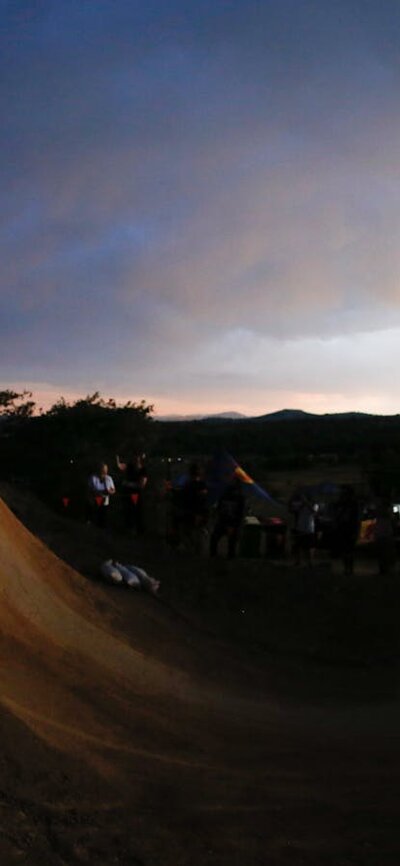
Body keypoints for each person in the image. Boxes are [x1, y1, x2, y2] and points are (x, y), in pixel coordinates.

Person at [210, 477, 245, 558]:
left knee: (231, 545)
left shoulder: (239, 497)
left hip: (233, 523)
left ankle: (230, 560)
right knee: (214, 539)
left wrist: (233, 526)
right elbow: (219, 508)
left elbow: (240, 514)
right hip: (222, 522)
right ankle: (213, 558)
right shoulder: (224, 494)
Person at [332, 485, 360, 576]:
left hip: (349, 528)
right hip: (343, 528)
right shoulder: (341, 504)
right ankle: (347, 568)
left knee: (349, 550)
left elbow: (356, 519)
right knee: (345, 550)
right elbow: (336, 514)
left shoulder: (353, 504)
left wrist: (356, 531)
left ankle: (349, 569)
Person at [116, 453, 148, 534]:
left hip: (137, 494)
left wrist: (128, 484)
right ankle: (129, 529)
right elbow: (122, 467)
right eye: (135, 457)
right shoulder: (130, 467)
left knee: (137, 512)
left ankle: (139, 530)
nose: (136, 459)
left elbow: (142, 485)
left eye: (138, 457)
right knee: (128, 511)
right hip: (127, 493)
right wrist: (117, 461)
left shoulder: (143, 470)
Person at [181, 463, 209, 550]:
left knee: (194, 536)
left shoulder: (196, 485)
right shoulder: (195, 485)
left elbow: (201, 501)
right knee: (192, 535)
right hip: (192, 513)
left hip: (195, 513)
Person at [291, 492, 317, 567]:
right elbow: (294, 510)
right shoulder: (300, 505)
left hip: (309, 528)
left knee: (310, 547)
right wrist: (302, 504)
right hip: (300, 527)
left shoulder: (314, 504)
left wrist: (306, 503)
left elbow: (314, 511)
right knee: (298, 546)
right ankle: (298, 561)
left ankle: (310, 562)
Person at [87, 462, 116, 528]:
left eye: (106, 469)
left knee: (103, 516)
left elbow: (113, 490)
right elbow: (89, 489)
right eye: (103, 469)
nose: (105, 471)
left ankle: (102, 529)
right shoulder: (93, 477)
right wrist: (90, 498)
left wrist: (109, 492)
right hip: (94, 499)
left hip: (105, 500)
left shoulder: (109, 478)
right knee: (94, 515)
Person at [375, 498, 397, 575]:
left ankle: (384, 568)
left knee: (384, 552)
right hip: (384, 533)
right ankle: (383, 569)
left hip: (384, 533)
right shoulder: (387, 511)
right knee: (383, 552)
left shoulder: (385, 511)